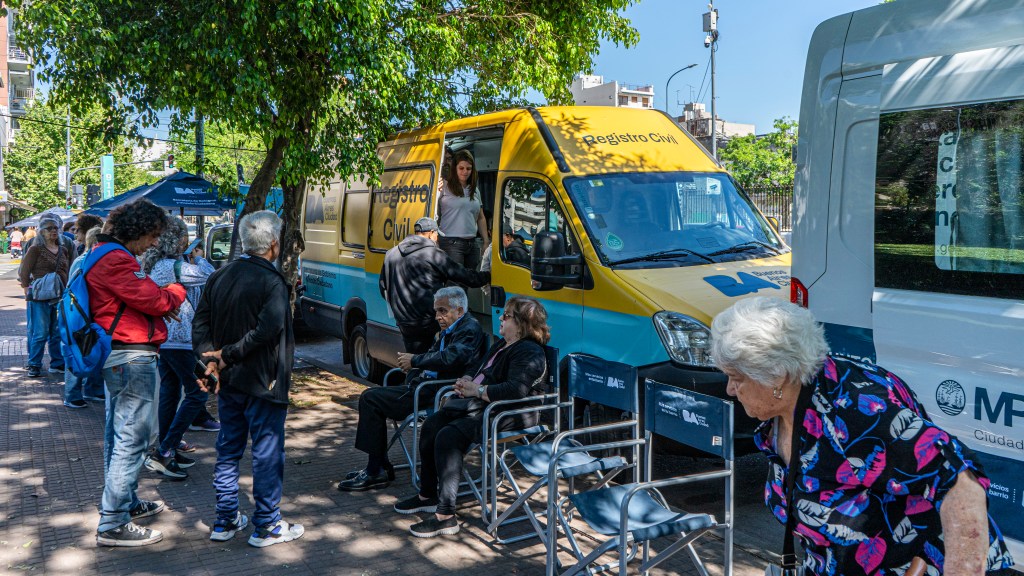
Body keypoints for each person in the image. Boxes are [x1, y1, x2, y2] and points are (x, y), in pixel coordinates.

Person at [708, 297, 1013, 576]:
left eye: (737, 379)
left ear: (777, 376)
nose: (730, 390)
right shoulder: (780, 414)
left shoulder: (856, 408)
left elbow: (959, 481)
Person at [394, 296, 549, 538]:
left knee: (448, 436)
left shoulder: (529, 351)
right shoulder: (501, 344)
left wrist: (476, 391)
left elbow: (514, 391)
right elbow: (478, 367)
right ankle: (428, 494)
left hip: (513, 413)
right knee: (432, 424)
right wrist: (467, 380)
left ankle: (445, 516)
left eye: (506, 315)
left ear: (521, 323)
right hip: (484, 407)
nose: (500, 317)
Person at [193, 210, 303, 547]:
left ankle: (225, 519)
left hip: (231, 381)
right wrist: (222, 357)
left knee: (229, 449)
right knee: (266, 452)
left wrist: (212, 359)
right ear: (273, 244)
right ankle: (267, 524)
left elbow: (200, 325)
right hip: (263, 381)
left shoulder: (220, 275)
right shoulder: (272, 282)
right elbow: (267, 331)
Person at [89, 199, 186, 547]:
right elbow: (155, 300)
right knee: (132, 440)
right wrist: (176, 290)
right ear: (137, 231)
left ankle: (125, 504)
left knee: (119, 437)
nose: (153, 244)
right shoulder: (115, 259)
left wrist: (158, 301)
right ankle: (113, 521)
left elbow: (139, 299)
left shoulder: (102, 254)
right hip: (132, 357)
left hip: (122, 355)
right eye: (152, 236)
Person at [338, 286, 488, 492]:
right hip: (423, 386)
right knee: (372, 398)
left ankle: (376, 469)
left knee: (369, 398)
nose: (437, 317)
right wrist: (416, 368)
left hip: (435, 391)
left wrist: (415, 361)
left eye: (443, 311)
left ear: (459, 311)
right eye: (436, 311)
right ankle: (378, 465)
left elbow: (453, 357)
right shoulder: (450, 329)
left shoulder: (469, 328)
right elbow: (435, 354)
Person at [140, 218, 215, 480]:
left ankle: (167, 446)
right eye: (185, 238)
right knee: (198, 393)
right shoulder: (174, 266)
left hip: (165, 340)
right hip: (180, 340)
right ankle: (166, 449)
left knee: (171, 393)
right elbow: (210, 276)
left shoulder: (157, 265)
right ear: (179, 240)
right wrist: (200, 257)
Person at [379, 217, 489, 354]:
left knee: (415, 360)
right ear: (431, 233)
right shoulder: (434, 255)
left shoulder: (391, 254)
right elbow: (464, 276)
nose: (437, 239)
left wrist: (402, 310)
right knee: (467, 324)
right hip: (427, 321)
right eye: (437, 235)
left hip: (403, 322)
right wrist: (487, 276)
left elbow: (383, 288)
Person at [19, 214, 73, 378]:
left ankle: (56, 363)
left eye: (55, 228)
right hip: (40, 297)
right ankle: (34, 363)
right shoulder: (35, 249)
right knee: (40, 333)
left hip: (59, 296)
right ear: (41, 231)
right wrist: (28, 289)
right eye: (49, 228)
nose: (53, 231)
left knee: (56, 332)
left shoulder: (63, 249)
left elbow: (68, 269)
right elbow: (23, 272)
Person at [62, 227, 105, 407]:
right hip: (81, 311)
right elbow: (74, 288)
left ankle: (92, 389)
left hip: (89, 310)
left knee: (93, 347)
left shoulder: (91, 260)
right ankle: (72, 394)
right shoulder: (83, 261)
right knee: (78, 349)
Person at [437, 149, 489, 270]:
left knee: (467, 283)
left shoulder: (475, 190)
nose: (465, 172)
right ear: (455, 168)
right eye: (461, 168)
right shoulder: (443, 186)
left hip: (472, 243)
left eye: (468, 168)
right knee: (456, 284)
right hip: (451, 243)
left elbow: (481, 217)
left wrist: (486, 241)